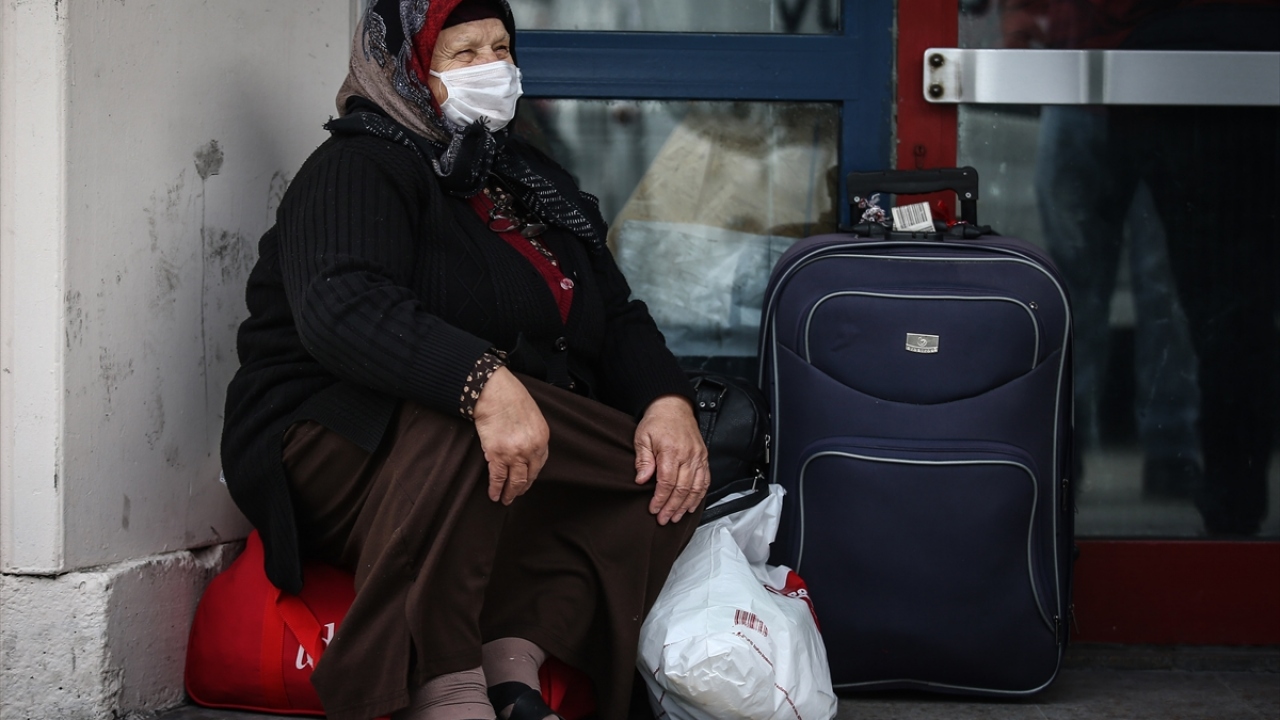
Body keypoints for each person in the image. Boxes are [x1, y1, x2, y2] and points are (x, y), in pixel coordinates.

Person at [220, 1, 709, 719]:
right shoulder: (358, 165)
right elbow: (342, 306)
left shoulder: (528, 178)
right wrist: (482, 384)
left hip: (491, 427)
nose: (493, 69)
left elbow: (616, 314)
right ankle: (440, 686)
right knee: (459, 431)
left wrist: (666, 403)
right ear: (406, 68)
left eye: (501, 48)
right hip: (330, 433)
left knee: (659, 473)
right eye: (465, 53)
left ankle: (514, 662)